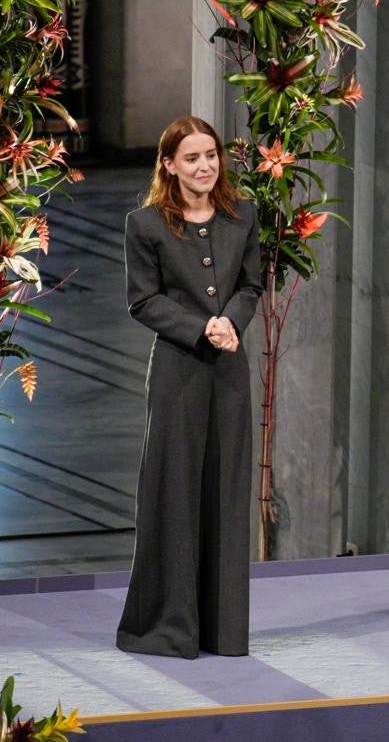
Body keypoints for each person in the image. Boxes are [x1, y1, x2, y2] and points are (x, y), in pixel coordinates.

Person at [115, 115, 263, 659]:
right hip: (179, 370)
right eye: (192, 157)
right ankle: (165, 627)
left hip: (228, 369)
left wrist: (232, 323)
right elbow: (142, 299)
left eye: (211, 155)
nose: (205, 166)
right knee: (174, 492)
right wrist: (199, 327)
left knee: (225, 491)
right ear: (169, 165)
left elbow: (250, 285)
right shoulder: (146, 224)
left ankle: (224, 631)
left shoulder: (243, 216)